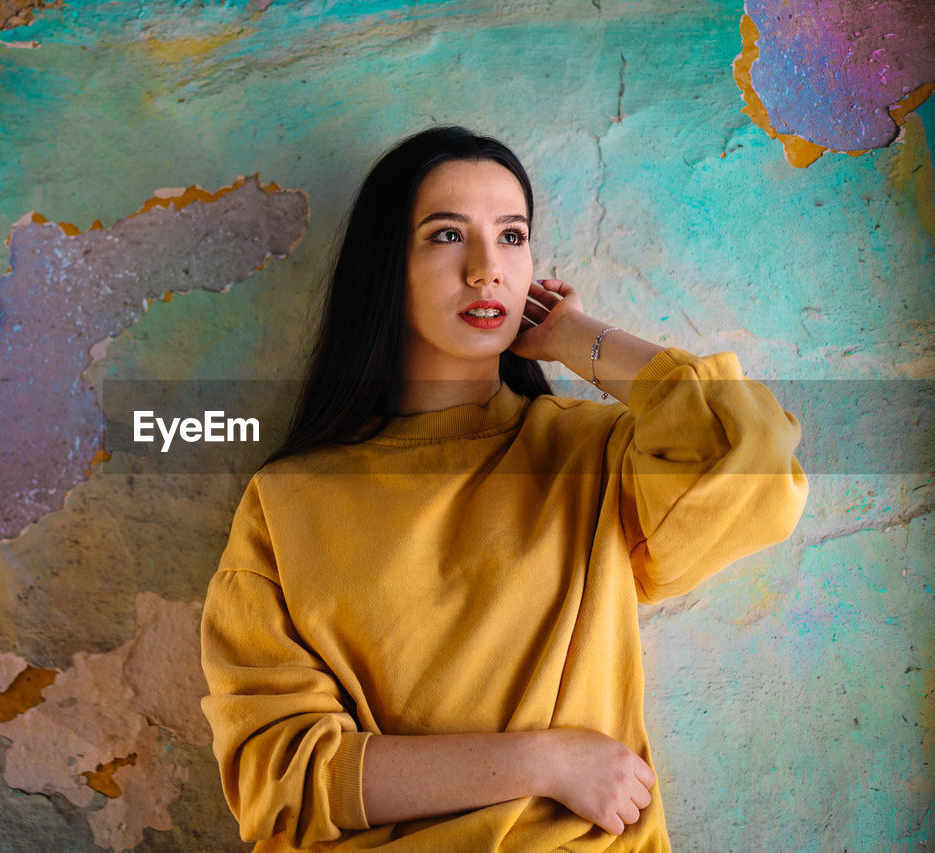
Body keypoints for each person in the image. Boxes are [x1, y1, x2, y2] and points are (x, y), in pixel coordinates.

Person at [199, 126, 808, 851]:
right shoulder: (286, 502)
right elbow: (284, 785)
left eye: (512, 235)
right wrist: (542, 761)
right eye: (447, 234)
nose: (487, 268)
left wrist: (575, 335)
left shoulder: (592, 456)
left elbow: (754, 456)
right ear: (385, 265)